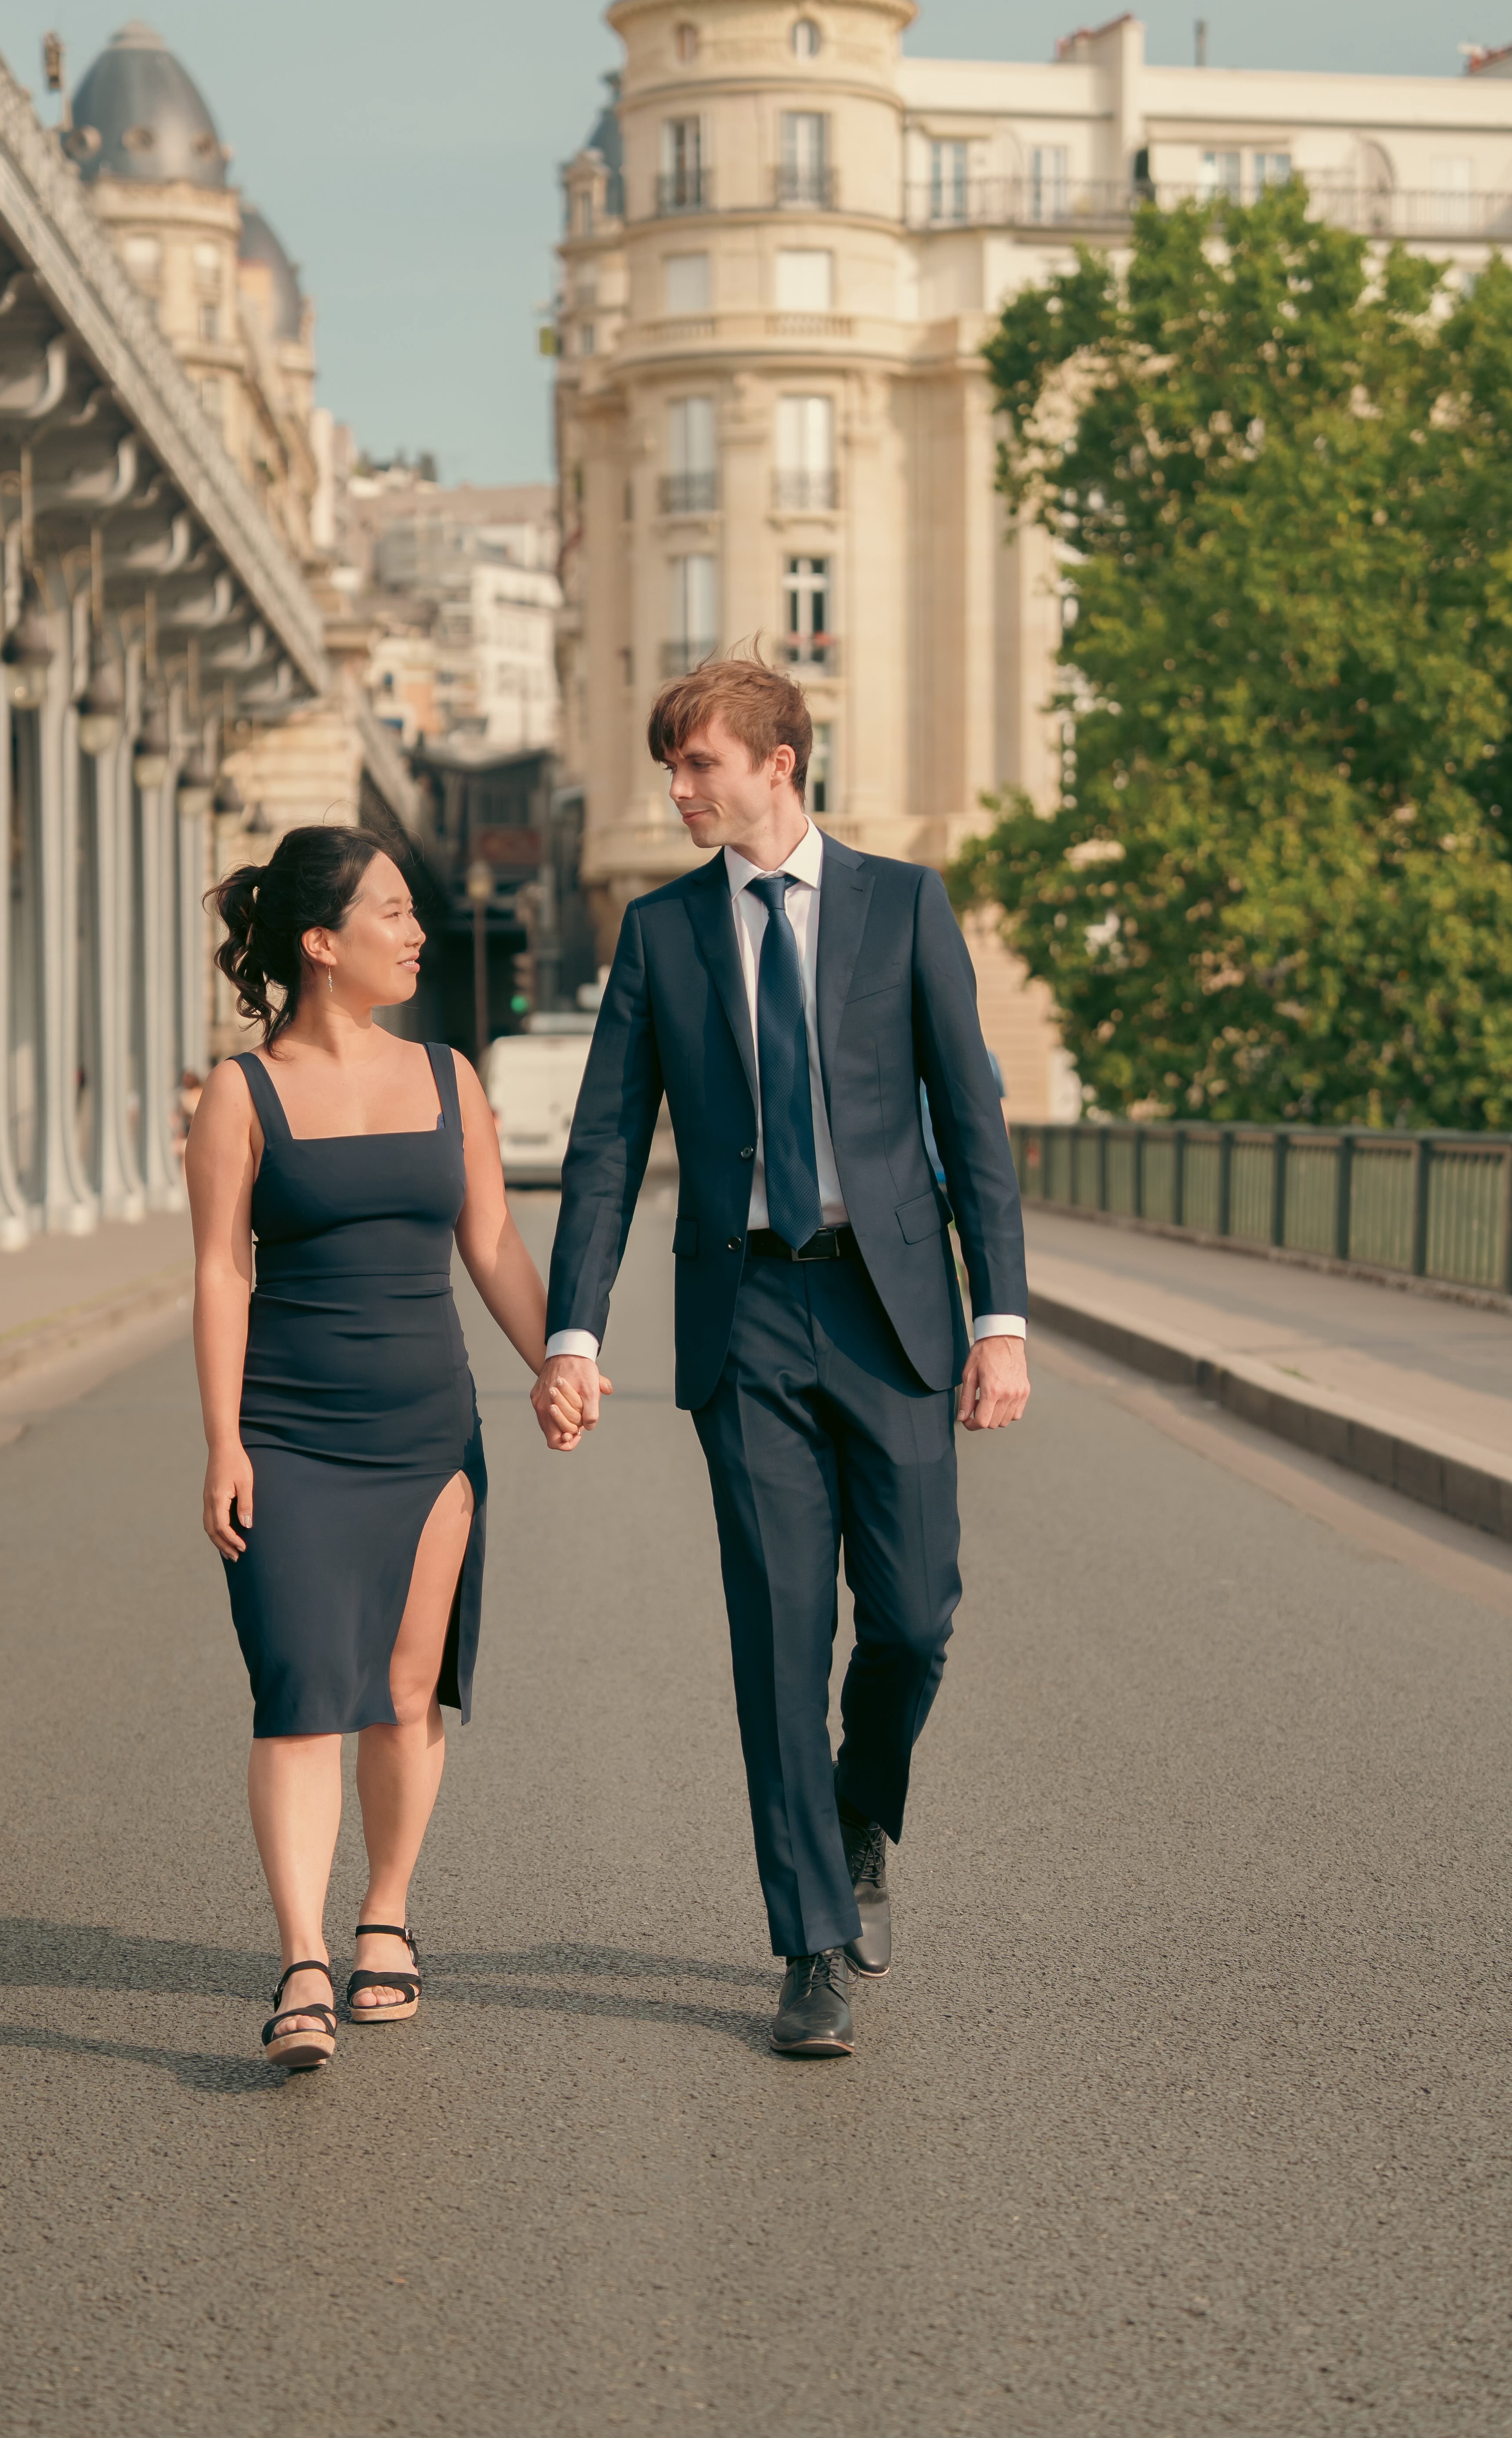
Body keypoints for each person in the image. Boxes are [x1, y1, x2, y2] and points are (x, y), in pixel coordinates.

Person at [534, 661, 1030, 2061]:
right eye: (673, 770)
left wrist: (1002, 1319)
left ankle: (861, 1810)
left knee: (917, 1617)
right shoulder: (663, 933)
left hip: (893, 1313)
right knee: (777, 1634)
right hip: (743, 1314)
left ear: (781, 763)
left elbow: (973, 1123)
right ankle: (813, 1942)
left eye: (700, 767)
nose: (681, 793)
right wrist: (576, 1324)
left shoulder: (903, 905)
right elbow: (607, 1147)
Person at [186, 826, 568, 2069]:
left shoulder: (451, 1077)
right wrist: (222, 1444)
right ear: (320, 942)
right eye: (393, 914)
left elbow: (497, 1245)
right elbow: (217, 1275)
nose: (414, 933)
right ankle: (302, 1955)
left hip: (429, 1431)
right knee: (300, 1691)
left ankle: (385, 1917)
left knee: (407, 1694)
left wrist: (558, 1358)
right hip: (289, 1434)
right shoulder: (240, 1097)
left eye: (413, 914)